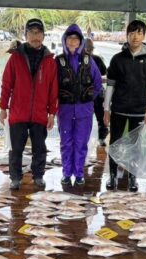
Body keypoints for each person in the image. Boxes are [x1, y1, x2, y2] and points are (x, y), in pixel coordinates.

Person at [0, 18, 58, 190]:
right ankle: (15, 177)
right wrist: (3, 108)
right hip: (18, 112)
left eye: (38, 33)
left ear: (43, 36)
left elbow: (53, 90)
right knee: (16, 148)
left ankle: (38, 175)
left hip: (39, 113)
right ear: (25, 35)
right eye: (31, 32)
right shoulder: (15, 58)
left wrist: (52, 113)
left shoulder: (49, 61)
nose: (35, 36)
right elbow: (6, 84)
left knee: (40, 148)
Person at [104, 20, 146, 192]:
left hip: (138, 110)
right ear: (126, 35)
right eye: (132, 33)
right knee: (115, 143)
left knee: (136, 145)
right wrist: (106, 109)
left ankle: (132, 177)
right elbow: (110, 86)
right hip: (119, 108)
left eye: (139, 33)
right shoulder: (117, 59)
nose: (135, 37)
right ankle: (112, 176)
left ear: (144, 35)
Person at [56, 24, 102, 186]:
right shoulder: (58, 61)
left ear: (81, 41)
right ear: (65, 40)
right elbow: (52, 86)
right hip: (65, 111)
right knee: (66, 142)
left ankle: (79, 173)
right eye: (70, 38)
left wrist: (87, 98)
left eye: (76, 38)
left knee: (81, 142)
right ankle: (67, 173)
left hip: (84, 111)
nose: (73, 41)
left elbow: (97, 84)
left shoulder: (89, 61)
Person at [84, 38, 109, 147]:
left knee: (101, 117)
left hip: (97, 94)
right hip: (84, 96)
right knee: (83, 119)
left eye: (91, 48)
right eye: (88, 48)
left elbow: (105, 73)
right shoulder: (77, 60)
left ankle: (102, 138)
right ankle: (83, 139)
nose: (90, 50)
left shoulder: (97, 59)